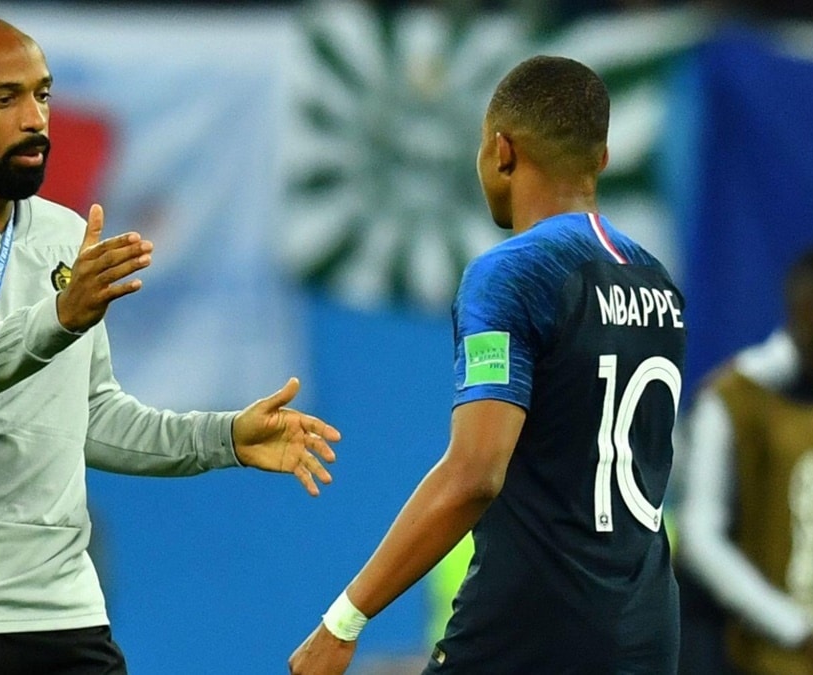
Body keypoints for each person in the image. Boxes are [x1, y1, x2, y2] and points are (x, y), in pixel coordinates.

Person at [0, 13, 341, 675]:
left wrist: (222, 437)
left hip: (57, 611)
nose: (35, 118)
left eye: (42, 93)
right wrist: (59, 319)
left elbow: (93, 415)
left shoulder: (63, 235)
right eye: (4, 98)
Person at [289, 55, 686, 674]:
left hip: (530, 632)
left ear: (502, 151)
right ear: (602, 159)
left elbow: (475, 473)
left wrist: (343, 621)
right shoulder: (657, 285)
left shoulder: (513, 274)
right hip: (645, 634)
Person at [677, 247, 813, 675]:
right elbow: (700, 539)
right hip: (726, 647)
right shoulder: (731, 399)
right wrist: (798, 632)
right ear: (808, 310)